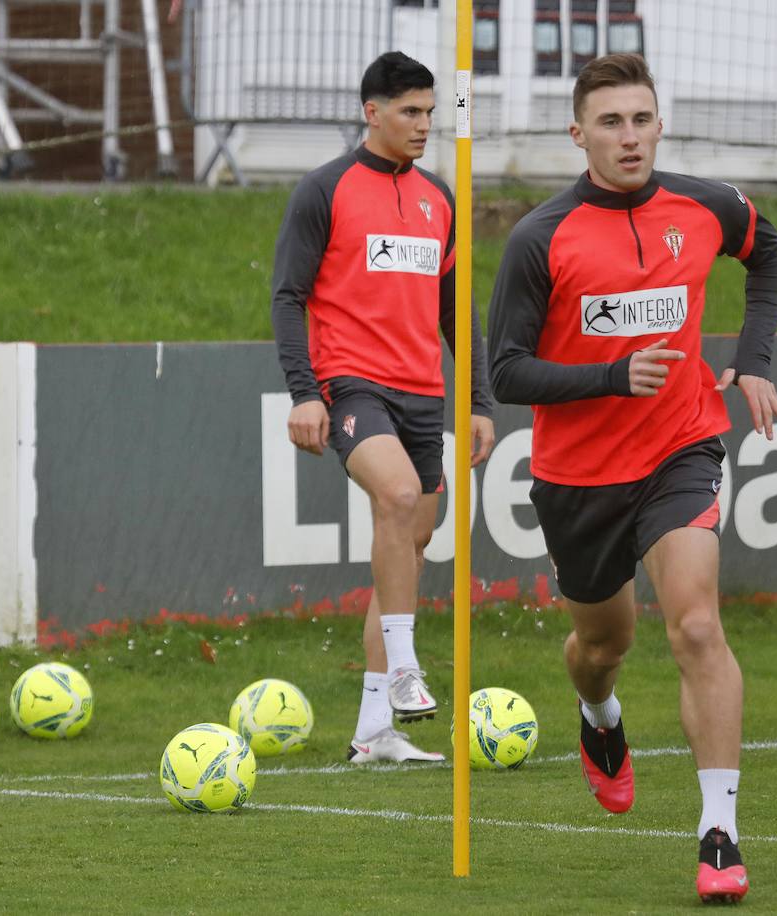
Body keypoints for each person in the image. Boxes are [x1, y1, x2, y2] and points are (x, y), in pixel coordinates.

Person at [487, 53, 777, 904]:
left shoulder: (705, 206)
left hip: (680, 448)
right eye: (611, 122)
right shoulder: (538, 238)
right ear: (577, 133)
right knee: (601, 646)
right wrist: (613, 376)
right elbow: (506, 373)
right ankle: (599, 718)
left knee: (696, 627)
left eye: (643, 119)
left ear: (662, 124)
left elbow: (768, 255)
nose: (630, 137)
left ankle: (720, 835)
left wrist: (752, 359)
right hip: (578, 477)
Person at [272, 51, 495, 765]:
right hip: (351, 383)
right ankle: (404, 669)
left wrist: (480, 402)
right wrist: (305, 389)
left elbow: (457, 312)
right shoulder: (324, 190)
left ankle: (374, 731)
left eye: (432, 112)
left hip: (425, 393)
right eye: (410, 112)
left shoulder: (440, 200)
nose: (425, 125)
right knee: (398, 496)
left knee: (411, 543)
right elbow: (287, 296)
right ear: (373, 112)